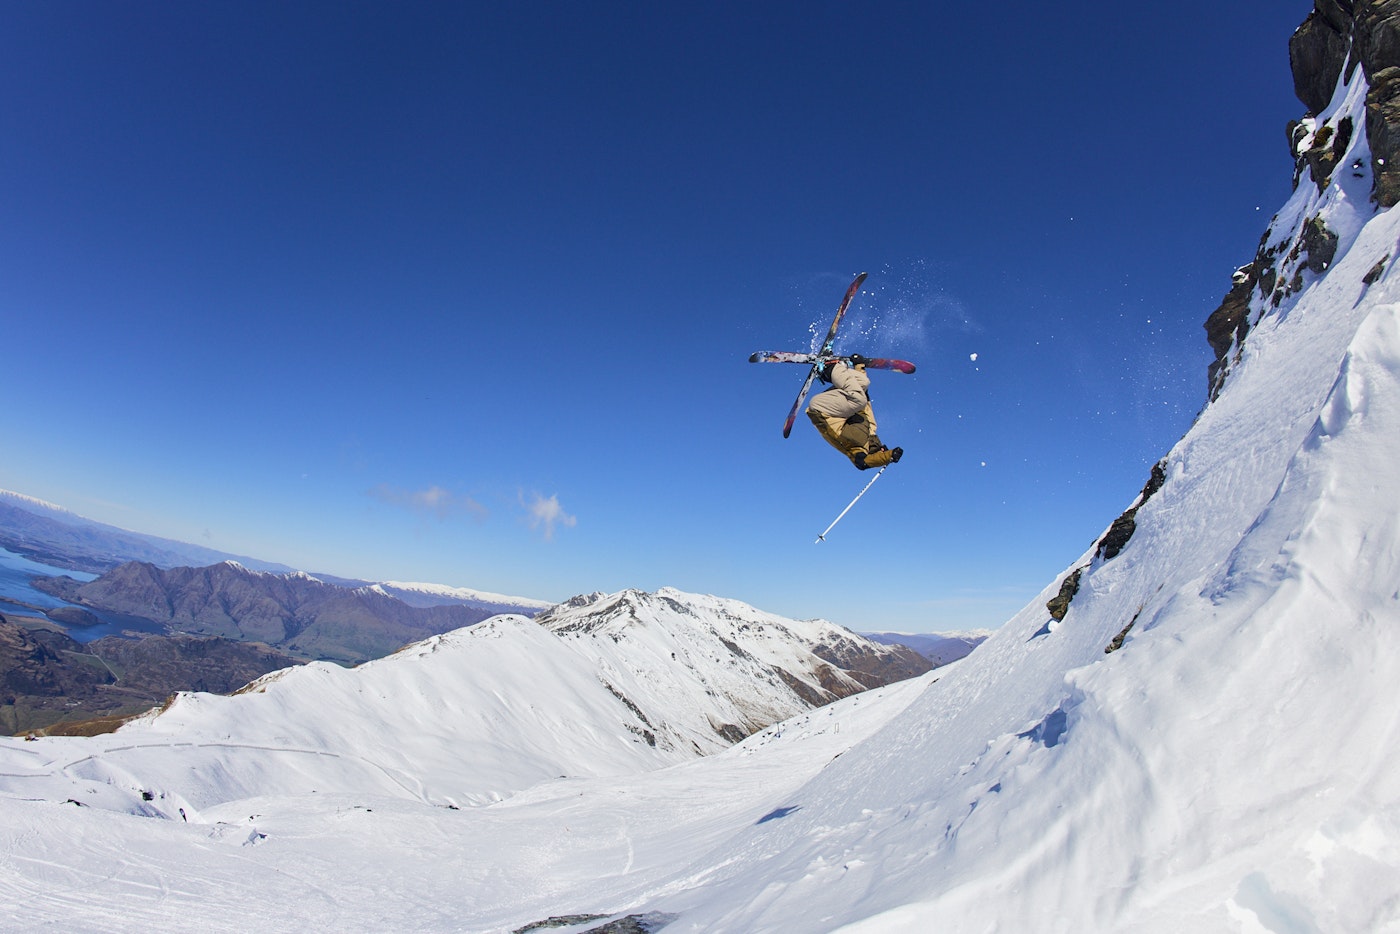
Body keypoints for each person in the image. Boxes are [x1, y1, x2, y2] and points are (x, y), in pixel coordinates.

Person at [805, 354, 903, 470]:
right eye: (884, 449)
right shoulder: (870, 428)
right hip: (835, 405)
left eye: (882, 451)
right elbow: (865, 399)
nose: (883, 448)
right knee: (864, 383)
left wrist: (888, 457)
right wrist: (859, 366)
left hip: (821, 410)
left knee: (858, 399)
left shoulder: (857, 449)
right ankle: (834, 371)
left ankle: (830, 369)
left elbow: (863, 463)